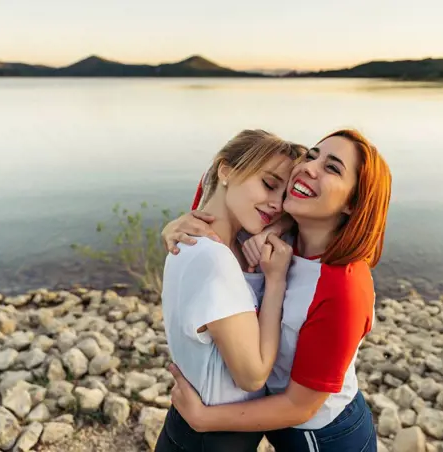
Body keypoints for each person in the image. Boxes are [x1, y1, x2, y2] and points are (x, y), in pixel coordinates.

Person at [161, 129, 392, 452]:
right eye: (312, 155)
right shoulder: (274, 230)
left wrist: (204, 420)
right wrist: (175, 227)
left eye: (332, 168)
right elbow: (217, 197)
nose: (311, 167)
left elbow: (301, 406)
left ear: (353, 203)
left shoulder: (344, 287)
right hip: (265, 420)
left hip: (320, 436)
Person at [155, 129, 307, 452]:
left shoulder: (202, 239)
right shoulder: (215, 259)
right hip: (213, 438)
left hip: (189, 426)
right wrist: (276, 281)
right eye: (268, 184)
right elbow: (252, 376)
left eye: (284, 197)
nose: (276, 204)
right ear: (226, 170)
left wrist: (277, 226)